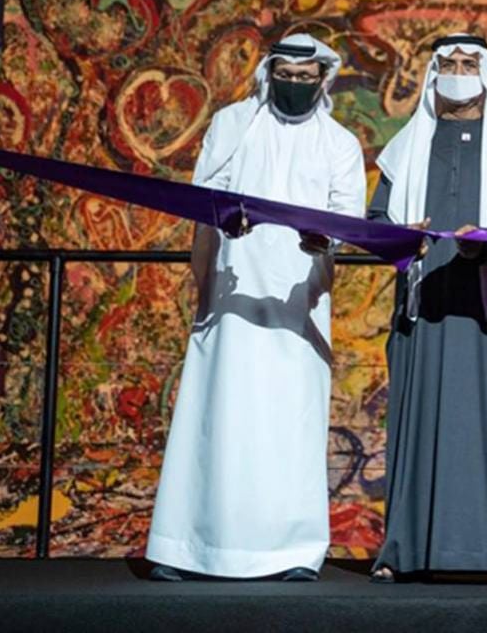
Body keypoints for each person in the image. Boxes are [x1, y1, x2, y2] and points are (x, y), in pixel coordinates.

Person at [147, 33, 366, 581]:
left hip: (298, 299)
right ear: (270, 74)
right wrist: (225, 217)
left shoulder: (339, 143)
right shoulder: (233, 124)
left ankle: (290, 552)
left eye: (304, 77)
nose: (294, 85)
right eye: (285, 76)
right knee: (219, 415)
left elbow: (347, 218)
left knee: (289, 422)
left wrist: (324, 240)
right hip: (233, 290)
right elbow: (206, 194)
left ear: (322, 78)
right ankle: (190, 548)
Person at [369, 34, 487, 586]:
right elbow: (376, 223)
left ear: (486, 74)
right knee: (416, 421)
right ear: (432, 74)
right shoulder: (404, 149)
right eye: (448, 63)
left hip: (486, 309)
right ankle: (402, 549)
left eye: (470, 64)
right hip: (423, 308)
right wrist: (405, 238)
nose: (459, 72)